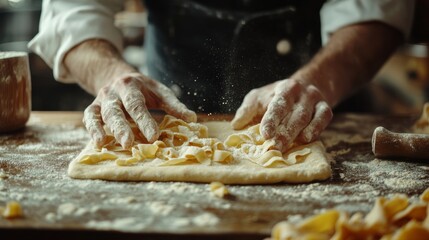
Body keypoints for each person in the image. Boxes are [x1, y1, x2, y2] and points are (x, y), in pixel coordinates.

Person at [28, 0, 414, 152]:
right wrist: (110, 73)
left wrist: (321, 79)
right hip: (162, 118)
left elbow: (376, 10)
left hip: (315, 111)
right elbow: (72, 9)